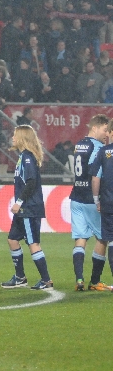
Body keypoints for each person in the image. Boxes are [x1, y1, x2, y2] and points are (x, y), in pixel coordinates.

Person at [1, 125, 53, 290]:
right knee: (12, 240)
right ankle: (20, 277)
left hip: (29, 208)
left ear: (22, 137)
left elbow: (31, 183)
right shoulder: (23, 156)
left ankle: (46, 280)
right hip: (24, 210)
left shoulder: (27, 158)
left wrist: (19, 202)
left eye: (15, 135)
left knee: (33, 244)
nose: (13, 138)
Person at [71, 114, 110, 291]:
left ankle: (79, 279)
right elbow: (97, 173)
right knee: (102, 238)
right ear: (95, 128)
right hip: (90, 198)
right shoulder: (99, 147)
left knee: (80, 239)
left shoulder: (79, 144)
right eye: (104, 129)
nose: (106, 133)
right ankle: (95, 281)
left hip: (76, 196)